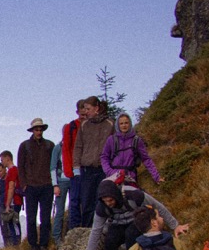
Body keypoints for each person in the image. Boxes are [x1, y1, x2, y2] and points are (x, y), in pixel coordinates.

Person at [76, 179, 186, 250]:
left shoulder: (133, 195)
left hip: (135, 221)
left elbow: (157, 205)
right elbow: (96, 231)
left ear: (116, 195)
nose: (109, 204)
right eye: (105, 201)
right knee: (109, 241)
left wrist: (175, 225)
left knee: (131, 236)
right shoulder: (102, 208)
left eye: (110, 200)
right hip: (117, 224)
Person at [17, 118, 56, 250]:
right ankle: (33, 245)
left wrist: (54, 182)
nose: (38, 131)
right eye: (36, 129)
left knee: (45, 218)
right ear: (32, 130)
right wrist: (24, 185)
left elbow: (55, 164)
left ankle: (44, 244)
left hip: (47, 186)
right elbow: (20, 167)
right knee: (31, 218)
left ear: (43, 130)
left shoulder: (50, 146)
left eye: (40, 129)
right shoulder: (24, 146)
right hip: (31, 187)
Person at [73, 97, 112, 229]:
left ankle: (102, 229)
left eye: (88, 109)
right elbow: (78, 146)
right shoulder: (84, 125)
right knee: (87, 201)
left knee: (102, 200)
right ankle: (86, 231)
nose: (86, 112)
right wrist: (76, 167)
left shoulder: (110, 124)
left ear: (97, 108)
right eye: (84, 109)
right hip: (87, 169)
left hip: (104, 169)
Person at [102, 113, 162, 187]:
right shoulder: (111, 140)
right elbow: (104, 157)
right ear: (118, 125)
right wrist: (110, 171)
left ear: (130, 123)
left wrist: (157, 177)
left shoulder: (137, 140)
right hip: (113, 177)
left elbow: (146, 159)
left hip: (130, 177)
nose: (124, 125)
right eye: (121, 123)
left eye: (126, 123)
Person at [63, 100, 88, 229]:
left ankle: (86, 227)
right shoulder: (71, 127)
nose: (84, 115)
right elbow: (66, 149)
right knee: (74, 201)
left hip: (89, 168)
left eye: (86, 112)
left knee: (87, 199)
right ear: (77, 112)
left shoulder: (92, 126)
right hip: (75, 169)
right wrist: (69, 169)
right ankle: (74, 228)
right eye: (82, 113)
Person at [0, 150, 23, 247]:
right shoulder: (14, 170)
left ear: (7, 158)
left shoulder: (12, 171)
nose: (2, 162)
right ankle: (16, 244)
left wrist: (8, 205)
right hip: (16, 201)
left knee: (13, 224)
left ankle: (16, 245)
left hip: (14, 202)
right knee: (13, 224)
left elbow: (11, 187)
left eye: (2, 160)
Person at [51, 136, 69, 243]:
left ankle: (70, 234)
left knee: (73, 208)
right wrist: (55, 185)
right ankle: (56, 238)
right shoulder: (58, 148)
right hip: (61, 181)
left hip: (74, 179)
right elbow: (53, 167)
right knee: (60, 211)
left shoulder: (75, 146)